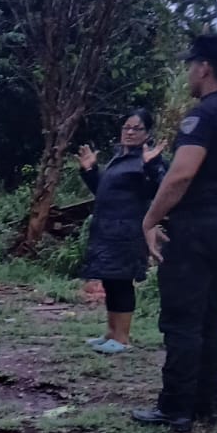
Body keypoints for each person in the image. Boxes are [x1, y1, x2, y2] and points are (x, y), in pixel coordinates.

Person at [132, 33, 217, 432]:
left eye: (191, 65)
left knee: (181, 320)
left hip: (197, 227)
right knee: (211, 320)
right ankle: (207, 408)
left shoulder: (204, 116)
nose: (189, 72)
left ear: (205, 68)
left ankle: (175, 407)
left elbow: (180, 175)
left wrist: (149, 219)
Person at [76, 110, 167, 353]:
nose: (129, 132)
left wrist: (152, 165)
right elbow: (104, 192)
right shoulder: (119, 158)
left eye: (136, 128)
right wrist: (90, 171)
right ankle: (111, 333)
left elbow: (158, 188)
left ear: (147, 133)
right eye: (126, 127)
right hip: (106, 231)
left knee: (122, 282)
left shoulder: (146, 160)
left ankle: (123, 337)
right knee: (111, 280)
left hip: (127, 231)